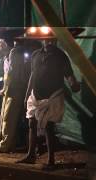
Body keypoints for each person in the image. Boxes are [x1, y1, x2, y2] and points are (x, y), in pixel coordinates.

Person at [16, 39, 80, 169]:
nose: (49, 41)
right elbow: (32, 75)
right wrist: (27, 94)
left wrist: (73, 83)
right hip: (35, 95)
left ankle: (51, 160)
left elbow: (69, 74)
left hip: (53, 95)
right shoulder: (35, 55)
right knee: (31, 123)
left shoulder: (61, 55)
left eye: (51, 39)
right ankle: (31, 155)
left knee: (49, 127)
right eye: (46, 39)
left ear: (56, 40)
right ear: (42, 39)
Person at [0, 39, 29, 153]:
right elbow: (2, 73)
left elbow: (11, 73)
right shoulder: (6, 57)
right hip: (9, 89)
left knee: (9, 118)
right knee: (4, 117)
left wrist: (5, 88)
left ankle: (5, 145)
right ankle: (7, 143)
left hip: (15, 88)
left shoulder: (14, 53)